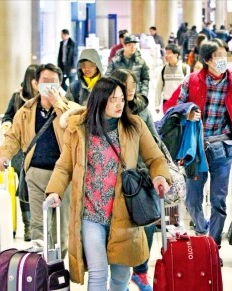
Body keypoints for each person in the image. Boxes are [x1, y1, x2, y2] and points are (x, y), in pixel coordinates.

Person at [43, 77, 171, 290]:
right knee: (98, 272)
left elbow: (155, 158)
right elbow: (64, 166)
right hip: (90, 214)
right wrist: (54, 191)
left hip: (124, 214)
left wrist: (159, 176)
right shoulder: (78, 129)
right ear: (100, 101)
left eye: (121, 99)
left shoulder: (134, 126)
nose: (120, 104)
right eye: (113, 100)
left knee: (121, 277)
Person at [176, 39, 232, 251]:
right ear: (207, 60)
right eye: (218, 56)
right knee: (192, 199)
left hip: (223, 148)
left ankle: (212, 247)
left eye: (225, 55)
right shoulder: (192, 80)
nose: (224, 60)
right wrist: (187, 112)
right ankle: (202, 230)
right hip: (196, 148)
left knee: (219, 200)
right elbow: (178, 109)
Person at [0, 63, 79, 257]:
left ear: (60, 84)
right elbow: (13, 136)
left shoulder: (71, 109)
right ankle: (40, 269)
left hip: (63, 176)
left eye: (54, 82)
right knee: (38, 226)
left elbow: (76, 131)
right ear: (36, 84)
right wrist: (4, 154)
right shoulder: (26, 111)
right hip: (35, 173)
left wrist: (58, 104)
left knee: (62, 227)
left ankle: (58, 262)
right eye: (45, 81)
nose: (49, 85)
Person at [108, 69, 157, 290]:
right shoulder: (107, 111)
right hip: (116, 179)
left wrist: (158, 169)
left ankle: (141, 271)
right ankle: (122, 276)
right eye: (126, 85)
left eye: (133, 84)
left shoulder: (142, 110)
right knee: (122, 231)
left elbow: (153, 139)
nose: (131, 89)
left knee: (145, 223)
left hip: (141, 177)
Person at [0, 64, 39, 242]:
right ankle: (28, 224)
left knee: (35, 186)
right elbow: (7, 116)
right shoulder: (17, 97)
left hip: (37, 148)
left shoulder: (45, 99)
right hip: (19, 150)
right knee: (23, 187)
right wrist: (7, 124)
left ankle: (37, 223)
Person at [106, 35, 151, 101]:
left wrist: (143, 95)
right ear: (124, 46)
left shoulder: (141, 62)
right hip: (119, 96)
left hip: (136, 96)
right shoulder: (115, 61)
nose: (132, 47)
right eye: (130, 45)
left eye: (134, 45)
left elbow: (145, 79)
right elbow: (107, 78)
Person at [155, 44, 190, 113]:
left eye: (169, 53)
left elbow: (188, 88)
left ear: (176, 55)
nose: (166, 55)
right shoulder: (163, 69)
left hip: (180, 102)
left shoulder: (185, 68)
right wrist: (157, 105)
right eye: (166, 53)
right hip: (167, 102)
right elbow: (159, 88)